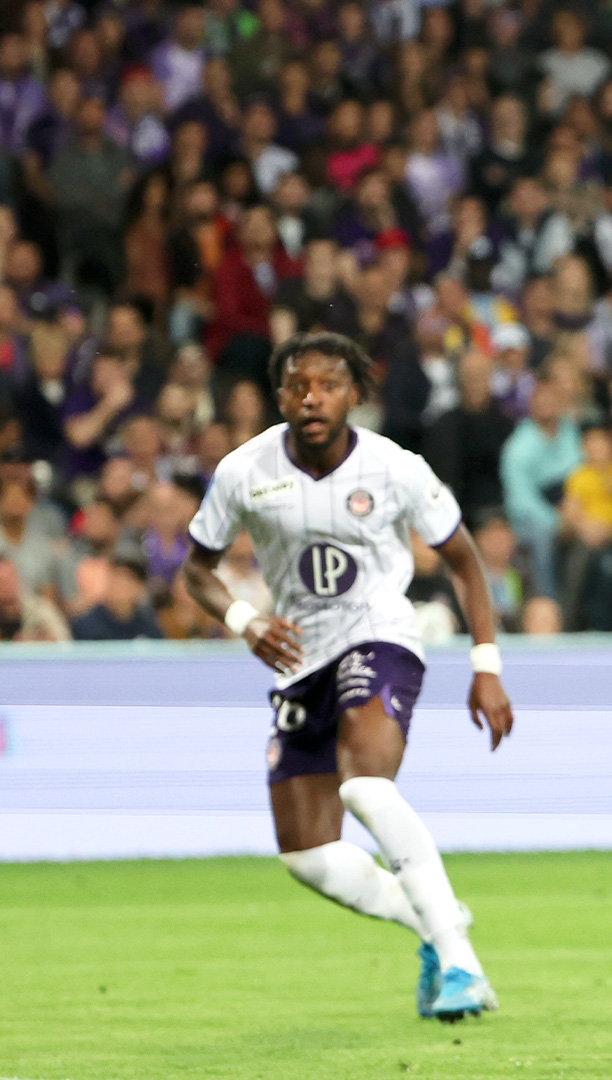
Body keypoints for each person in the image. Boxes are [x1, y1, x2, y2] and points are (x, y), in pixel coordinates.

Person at [179, 332, 517, 1022]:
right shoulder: (245, 471)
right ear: (280, 398)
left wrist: (486, 665)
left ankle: (461, 963)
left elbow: (464, 561)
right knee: (306, 856)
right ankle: (434, 918)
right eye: (299, 386)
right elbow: (194, 570)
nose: (312, 397)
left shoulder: (395, 468)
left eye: (328, 385)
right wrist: (245, 619)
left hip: (380, 637)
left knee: (366, 784)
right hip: (299, 657)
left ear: (353, 395)